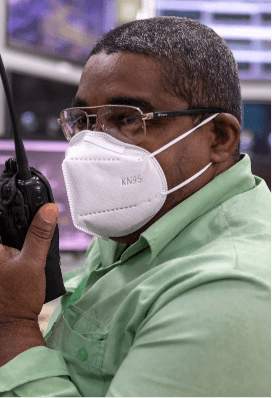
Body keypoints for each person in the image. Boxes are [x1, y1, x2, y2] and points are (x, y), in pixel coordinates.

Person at [0, 16, 270, 397]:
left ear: (219, 138)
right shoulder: (144, 218)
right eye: (83, 121)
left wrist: (12, 325)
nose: (91, 146)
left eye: (127, 119)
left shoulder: (233, 290)